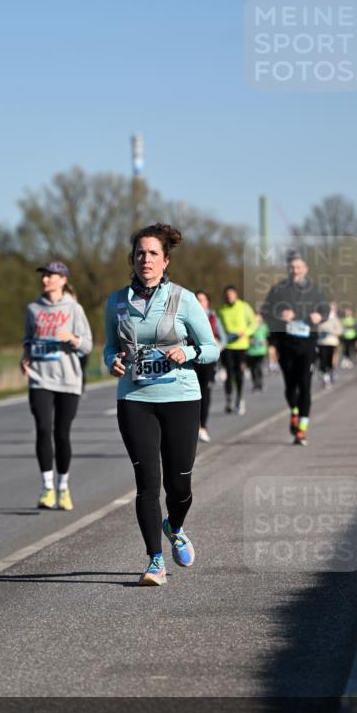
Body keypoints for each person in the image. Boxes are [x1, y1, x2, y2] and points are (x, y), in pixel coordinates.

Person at [104, 224, 219, 586]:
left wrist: (186, 351)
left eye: (153, 254)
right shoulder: (116, 302)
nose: (146, 260)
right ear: (132, 260)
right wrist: (111, 362)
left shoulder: (183, 299)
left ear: (165, 260)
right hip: (135, 399)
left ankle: (176, 525)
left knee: (179, 485)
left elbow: (213, 349)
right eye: (140, 254)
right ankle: (155, 560)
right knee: (147, 482)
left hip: (181, 398)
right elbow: (108, 347)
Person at [21, 261, 93, 510]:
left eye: (51, 275)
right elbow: (28, 339)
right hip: (40, 377)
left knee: (62, 434)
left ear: (63, 280)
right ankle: (47, 488)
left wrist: (73, 338)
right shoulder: (32, 309)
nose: (45, 279)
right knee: (42, 428)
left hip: (68, 379)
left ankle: (63, 488)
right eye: (43, 275)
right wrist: (25, 357)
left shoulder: (74, 309)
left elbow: (88, 345)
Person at [262, 249, 329, 446]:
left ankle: (302, 430)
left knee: (305, 385)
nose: (295, 270)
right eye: (292, 267)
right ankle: (294, 411)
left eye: (298, 267)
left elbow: (324, 309)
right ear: (288, 269)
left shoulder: (315, 290)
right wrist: (279, 314)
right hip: (286, 344)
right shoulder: (278, 290)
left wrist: (320, 316)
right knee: (290, 386)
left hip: (307, 344)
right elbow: (266, 311)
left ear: (305, 269)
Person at [217, 285, 257, 415]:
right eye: (227, 295)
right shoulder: (221, 310)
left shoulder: (244, 307)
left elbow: (253, 323)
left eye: (232, 295)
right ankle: (228, 399)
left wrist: (245, 333)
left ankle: (239, 399)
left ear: (236, 295)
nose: (230, 297)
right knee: (228, 373)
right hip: (227, 345)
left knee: (239, 373)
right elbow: (217, 326)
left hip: (241, 345)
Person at [194, 290, 224, 442]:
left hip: (208, 362)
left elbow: (223, 338)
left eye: (202, 299)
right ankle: (192, 427)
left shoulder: (213, 317)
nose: (200, 302)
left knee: (205, 394)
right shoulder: (187, 316)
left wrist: (216, 349)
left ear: (207, 302)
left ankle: (203, 427)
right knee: (191, 395)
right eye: (197, 299)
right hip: (191, 360)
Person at [317, 302, 342, 386]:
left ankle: (331, 372)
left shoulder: (335, 319)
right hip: (321, 342)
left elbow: (339, 331)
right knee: (322, 360)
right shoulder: (320, 317)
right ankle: (325, 376)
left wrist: (330, 332)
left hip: (331, 342)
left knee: (330, 360)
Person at [246, 312, 269, 391]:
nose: (257, 319)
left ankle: (260, 384)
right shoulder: (250, 327)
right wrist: (251, 341)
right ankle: (255, 384)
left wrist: (265, 343)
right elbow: (247, 337)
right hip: (251, 351)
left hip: (261, 351)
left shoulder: (264, 327)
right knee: (252, 368)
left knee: (258, 367)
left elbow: (267, 337)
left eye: (258, 317)